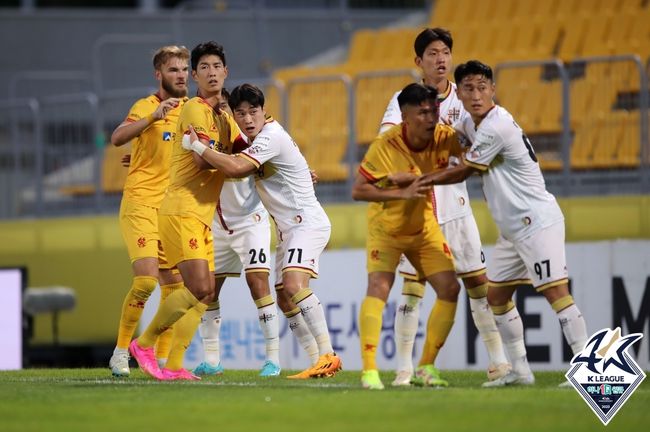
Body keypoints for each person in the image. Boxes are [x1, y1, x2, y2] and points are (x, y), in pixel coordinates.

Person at [420, 60, 588, 387]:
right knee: (496, 298)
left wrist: (425, 179)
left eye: (482, 87)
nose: (476, 94)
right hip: (512, 231)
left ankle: (586, 369)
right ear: (461, 94)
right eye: (468, 88)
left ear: (493, 90)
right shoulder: (473, 124)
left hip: (536, 221)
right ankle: (521, 371)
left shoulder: (497, 126)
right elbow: (454, 138)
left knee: (556, 292)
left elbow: (465, 169)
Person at [182, 83, 342, 379]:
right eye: (240, 113)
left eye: (253, 111)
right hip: (287, 230)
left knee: (294, 286)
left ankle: (327, 354)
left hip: (305, 223)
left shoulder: (270, 136)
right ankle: (316, 361)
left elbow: (236, 169)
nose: (247, 118)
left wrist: (198, 146)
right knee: (283, 298)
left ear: (263, 111)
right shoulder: (251, 138)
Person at [378, 28, 509, 386]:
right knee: (412, 290)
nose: (441, 59)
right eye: (433, 53)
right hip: (418, 213)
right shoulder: (403, 100)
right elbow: (386, 140)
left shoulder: (464, 100)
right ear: (418, 61)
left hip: (457, 207)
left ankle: (498, 362)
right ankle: (404, 368)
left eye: (446, 52)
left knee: (478, 285)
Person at [128, 41, 247, 381]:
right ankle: (145, 343)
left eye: (217, 66)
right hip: (181, 209)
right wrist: (237, 164)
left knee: (206, 292)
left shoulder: (224, 116)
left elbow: (249, 149)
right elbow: (200, 159)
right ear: (195, 75)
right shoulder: (195, 109)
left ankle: (176, 364)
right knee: (197, 287)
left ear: (226, 72)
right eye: (204, 67)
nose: (211, 72)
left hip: (200, 214)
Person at [352, 83, 462, 390]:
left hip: (423, 227)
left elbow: (471, 161)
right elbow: (358, 190)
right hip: (386, 228)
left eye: (434, 111)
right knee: (379, 287)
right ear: (405, 116)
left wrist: (425, 179)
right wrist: (401, 190)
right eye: (423, 112)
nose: (431, 118)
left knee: (450, 287)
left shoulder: (445, 138)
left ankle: (426, 366)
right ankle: (370, 371)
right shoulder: (385, 145)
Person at [108, 45, 190, 377]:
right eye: (173, 70)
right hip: (140, 203)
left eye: (184, 69)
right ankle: (119, 352)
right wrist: (150, 120)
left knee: (174, 287)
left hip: (170, 210)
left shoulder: (192, 109)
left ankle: (158, 360)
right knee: (145, 281)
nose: (181, 75)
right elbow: (117, 137)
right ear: (159, 74)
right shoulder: (146, 106)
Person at [192, 88, 284, 378]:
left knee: (258, 283)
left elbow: (252, 165)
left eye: (222, 109)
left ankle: (273, 358)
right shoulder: (211, 137)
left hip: (249, 221)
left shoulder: (248, 139)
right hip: (218, 223)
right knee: (208, 292)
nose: (221, 114)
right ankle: (212, 360)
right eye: (232, 111)